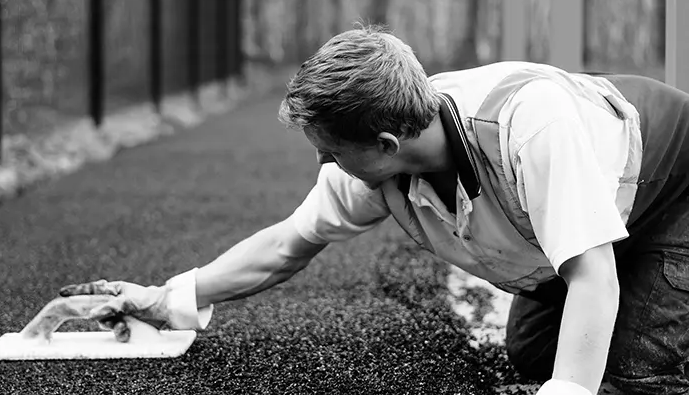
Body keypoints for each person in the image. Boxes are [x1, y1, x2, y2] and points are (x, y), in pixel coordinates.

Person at [60, 25, 689, 395]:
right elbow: (287, 245)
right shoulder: (378, 164)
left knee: (624, 380)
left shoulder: (530, 125)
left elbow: (591, 275)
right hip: (595, 230)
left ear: (385, 145)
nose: (323, 165)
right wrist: (167, 300)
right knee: (534, 359)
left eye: (329, 152)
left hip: (671, 195)